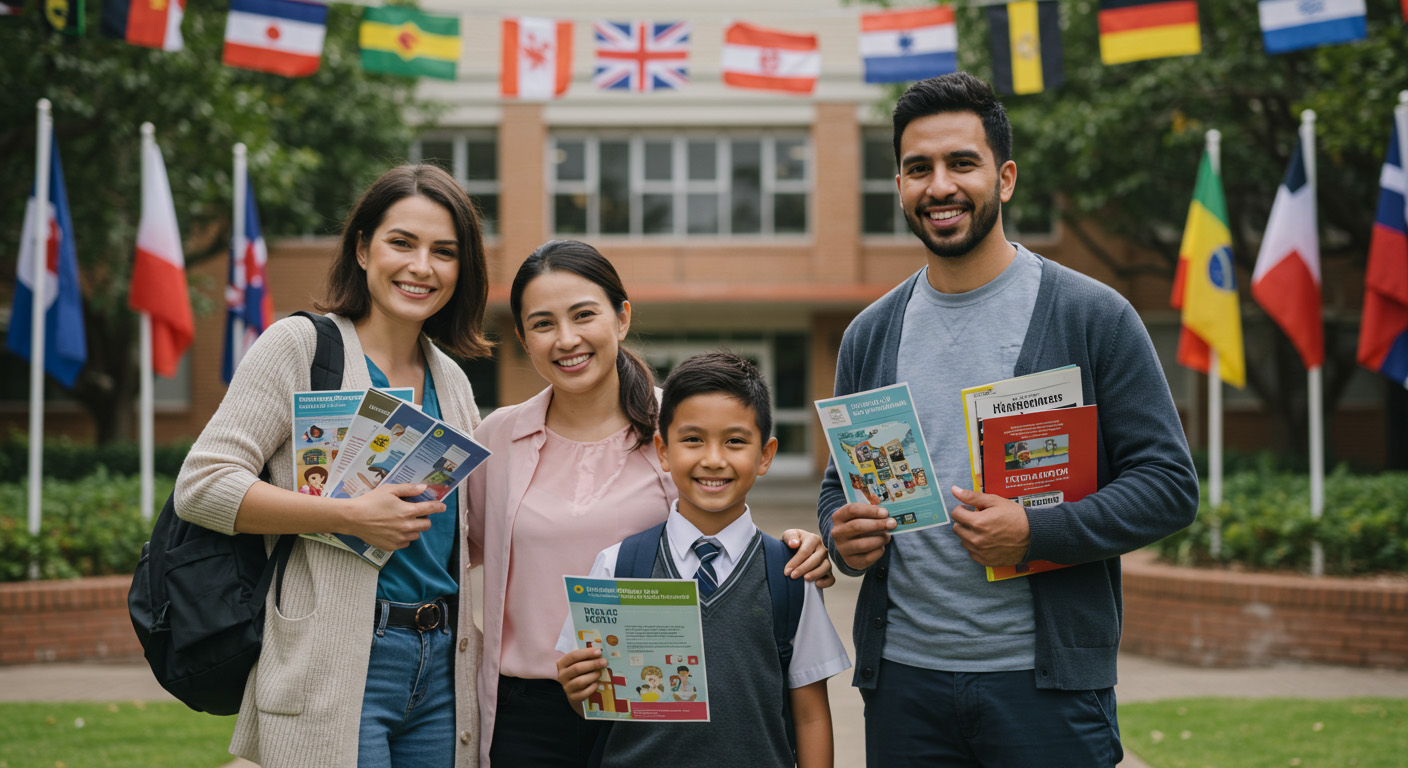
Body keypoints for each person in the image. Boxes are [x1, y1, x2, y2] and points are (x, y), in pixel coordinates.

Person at [816, 72, 1199, 767]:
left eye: (962, 163)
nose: (940, 186)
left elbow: (1169, 486)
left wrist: (1035, 532)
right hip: (903, 684)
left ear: (1006, 177)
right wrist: (843, 535)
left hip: (1045, 692)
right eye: (917, 168)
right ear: (898, 185)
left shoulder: (1092, 316)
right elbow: (838, 488)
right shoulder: (869, 334)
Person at [467, 240, 834, 767]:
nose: (567, 338)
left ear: (621, 319)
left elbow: (724, 524)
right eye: (543, 323)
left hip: (654, 702)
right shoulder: (498, 437)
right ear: (524, 339)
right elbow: (451, 558)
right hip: (529, 714)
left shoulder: (680, 428)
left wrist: (801, 546)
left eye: (584, 315)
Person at [175, 164, 492, 768]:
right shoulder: (299, 347)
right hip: (336, 657)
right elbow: (203, 486)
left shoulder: (451, 379)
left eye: (444, 251)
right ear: (363, 248)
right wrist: (348, 515)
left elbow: (463, 535)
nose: (422, 266)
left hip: (443, 664)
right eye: (402, 242)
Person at [556, 352, 850, 768]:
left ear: (765, 455)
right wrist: (577, 692)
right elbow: (593, 704)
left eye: (735, 441)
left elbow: (811, 714)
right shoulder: (617, 565)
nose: (713, 458)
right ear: (663, 450)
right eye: (693, 439)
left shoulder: (791, 574)